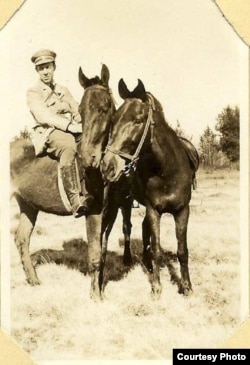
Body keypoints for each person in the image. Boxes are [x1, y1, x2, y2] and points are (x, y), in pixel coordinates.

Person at [27, 49, 94, 217]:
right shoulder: (33, 92)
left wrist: (84, 125)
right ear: (37, 71)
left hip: (70, 127)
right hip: (47, 131)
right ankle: (74, 200)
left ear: (54, 67)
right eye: (41, 68)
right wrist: (70, 126)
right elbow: (43, 116)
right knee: (69, 147)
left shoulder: (63, 90)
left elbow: (77, 110)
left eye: (48, 67)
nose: (45, 72)